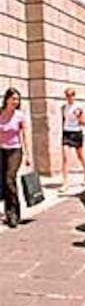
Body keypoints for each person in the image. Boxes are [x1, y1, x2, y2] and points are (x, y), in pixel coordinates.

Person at [0, 88, 31, 227]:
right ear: (6, 99)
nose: (16, 102)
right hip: (1, 151)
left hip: (15, 150)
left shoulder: (20, 115)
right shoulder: (0, 114)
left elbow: (25, 135)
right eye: (13, 99)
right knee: (5, 182)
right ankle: (9, 212)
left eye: (17, 99)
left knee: (9, 178)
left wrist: (28, 154)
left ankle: (14, 212)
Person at [60, 88, 85, 193]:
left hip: (77, 132)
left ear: (74, 96)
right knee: (65, 157)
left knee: (80, 156)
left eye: (71, 95)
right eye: (67, 95)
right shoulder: (63, 107)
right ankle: (65, 183)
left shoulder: (79, 107)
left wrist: (78, 117)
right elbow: (63, 120)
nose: (69, 97)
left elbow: (84, 122)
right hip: (66, 133)